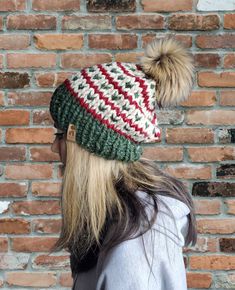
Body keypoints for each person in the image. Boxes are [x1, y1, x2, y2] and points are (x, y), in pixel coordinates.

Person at [49, 36, 197, 290]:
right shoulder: (118, 220)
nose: (54, 147)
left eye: (60, 134)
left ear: (86, 145)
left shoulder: (137, 238)